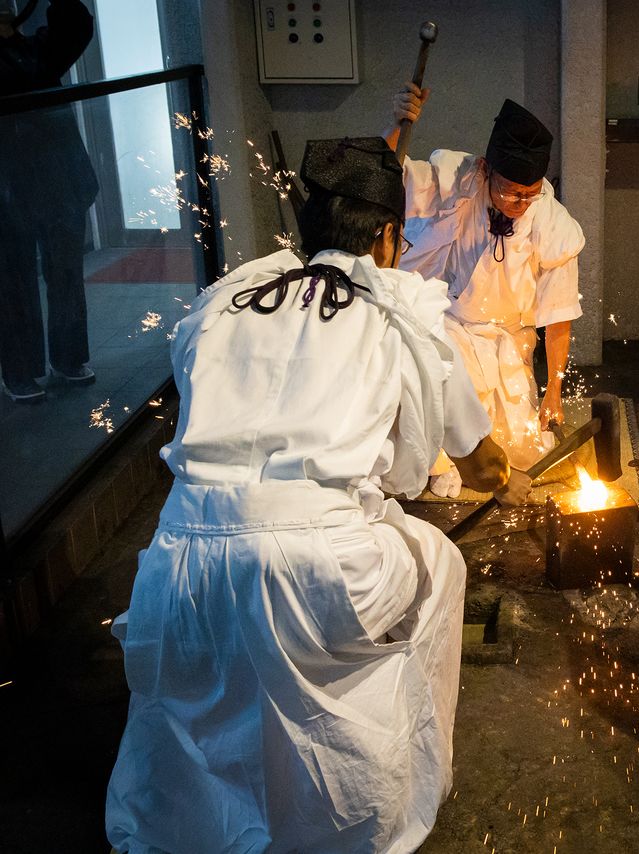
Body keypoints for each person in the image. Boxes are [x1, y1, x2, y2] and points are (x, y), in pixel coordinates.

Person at [105, 137, 532, 853]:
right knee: (438, 563)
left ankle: (208, 824)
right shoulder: (401, 312)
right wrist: (504, 475)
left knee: (236, 638)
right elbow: (478, 462)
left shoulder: (224, 300)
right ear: (389, 237)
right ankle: (378, 804)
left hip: (179, 564)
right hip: (322, 568)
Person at [385, 91, 584, 496]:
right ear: (485, 169)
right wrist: (397, 122)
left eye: (529, 194)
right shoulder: (457, 179)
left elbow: (559, 314)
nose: (520, 203)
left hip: (510, 336)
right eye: (511, 192)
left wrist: (555, 391)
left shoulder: (549, 218)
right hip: (452, 323)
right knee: (451, 428)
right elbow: (388, 176)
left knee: (521, 446)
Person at [0, 0, 99, 403]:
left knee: (63, 274)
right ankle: (22, 370)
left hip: (56, 181)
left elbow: (75, 26)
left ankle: (66, 358)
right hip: (12, 184)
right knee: (14, 279)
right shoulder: (29, 55)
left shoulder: (34, 50)